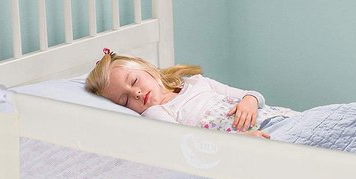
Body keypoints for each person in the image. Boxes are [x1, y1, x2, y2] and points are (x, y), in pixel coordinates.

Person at [85, 49, 298, 138]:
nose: (137, 93)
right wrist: (241, 142)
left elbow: (251, 94)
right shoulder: (157, 113)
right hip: (261, 137)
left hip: (279, 117)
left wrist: (249, 101)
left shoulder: (197, 83)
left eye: (134, 82)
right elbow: (188, 144)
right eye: (125, 100)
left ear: (146, 69)